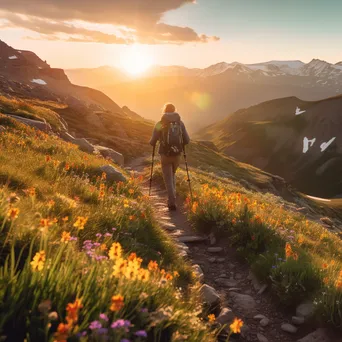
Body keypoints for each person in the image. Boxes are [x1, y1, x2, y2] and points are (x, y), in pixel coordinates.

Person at [149, 103, 190, 211]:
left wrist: (155, 142)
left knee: (168, 178)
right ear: (174, 111)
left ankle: (172, 202)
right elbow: (187, 140)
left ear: (165, 111)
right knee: (172, 174)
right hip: (177, 154)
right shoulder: (180, 123)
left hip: (165, 154)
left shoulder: (160, 123)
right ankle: (173, 197)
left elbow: (152, 141)